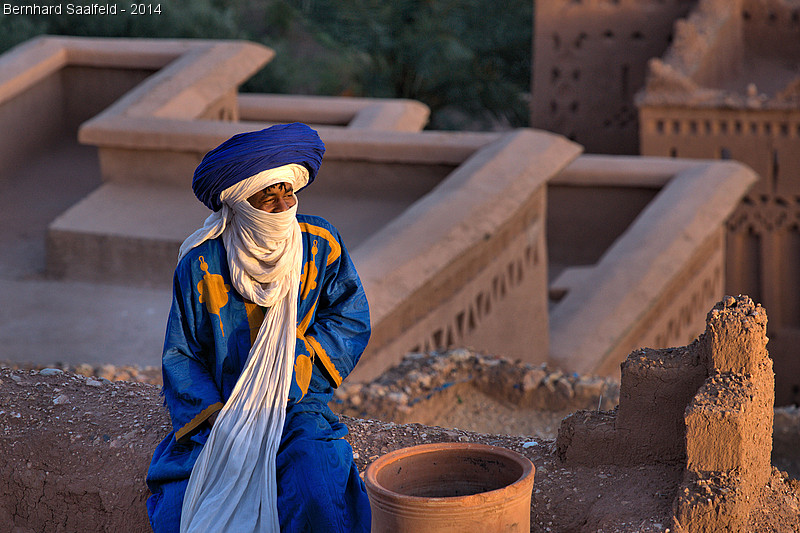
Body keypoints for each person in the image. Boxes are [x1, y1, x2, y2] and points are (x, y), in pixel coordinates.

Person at [145, 123, 372, 532]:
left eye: (288, 192)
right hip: (226, 409)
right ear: (240, 204)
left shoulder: (319, 242)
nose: (283, 204)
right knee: (187, 504)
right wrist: (216, 416)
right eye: (268, 196)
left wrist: (300, 366)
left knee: (316, 487)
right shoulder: (201, 263)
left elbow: (349, 316)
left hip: (296, 401)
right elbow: (182, 354)